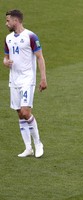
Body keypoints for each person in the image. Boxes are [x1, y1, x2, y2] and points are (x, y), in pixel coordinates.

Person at [3, 9, 47, 158]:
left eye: (8, 20)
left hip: (27, 79)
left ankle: (38, 143)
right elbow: (5, 57)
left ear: (16, 21)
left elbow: (40, 57)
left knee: (26, 112)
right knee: (19, 114)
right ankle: (28, 148)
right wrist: (6, 62)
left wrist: (43, 78)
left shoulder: (31, 36)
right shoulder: (8, 38)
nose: (6, 23)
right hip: (13, 80)